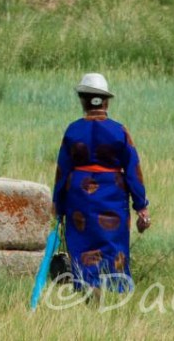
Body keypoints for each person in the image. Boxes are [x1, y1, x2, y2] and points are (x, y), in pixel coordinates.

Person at [52, 73, 150, 294]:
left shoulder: (73, 130)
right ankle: (115, 289)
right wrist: (141, 206)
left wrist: (58, 205)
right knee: (112, 244)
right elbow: (133, 169)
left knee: (82, 244)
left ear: (83, 101)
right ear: (105, 102)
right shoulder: (119, 131)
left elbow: (62, 171)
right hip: (112, 196)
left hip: (79, 198)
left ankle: (87, 286)